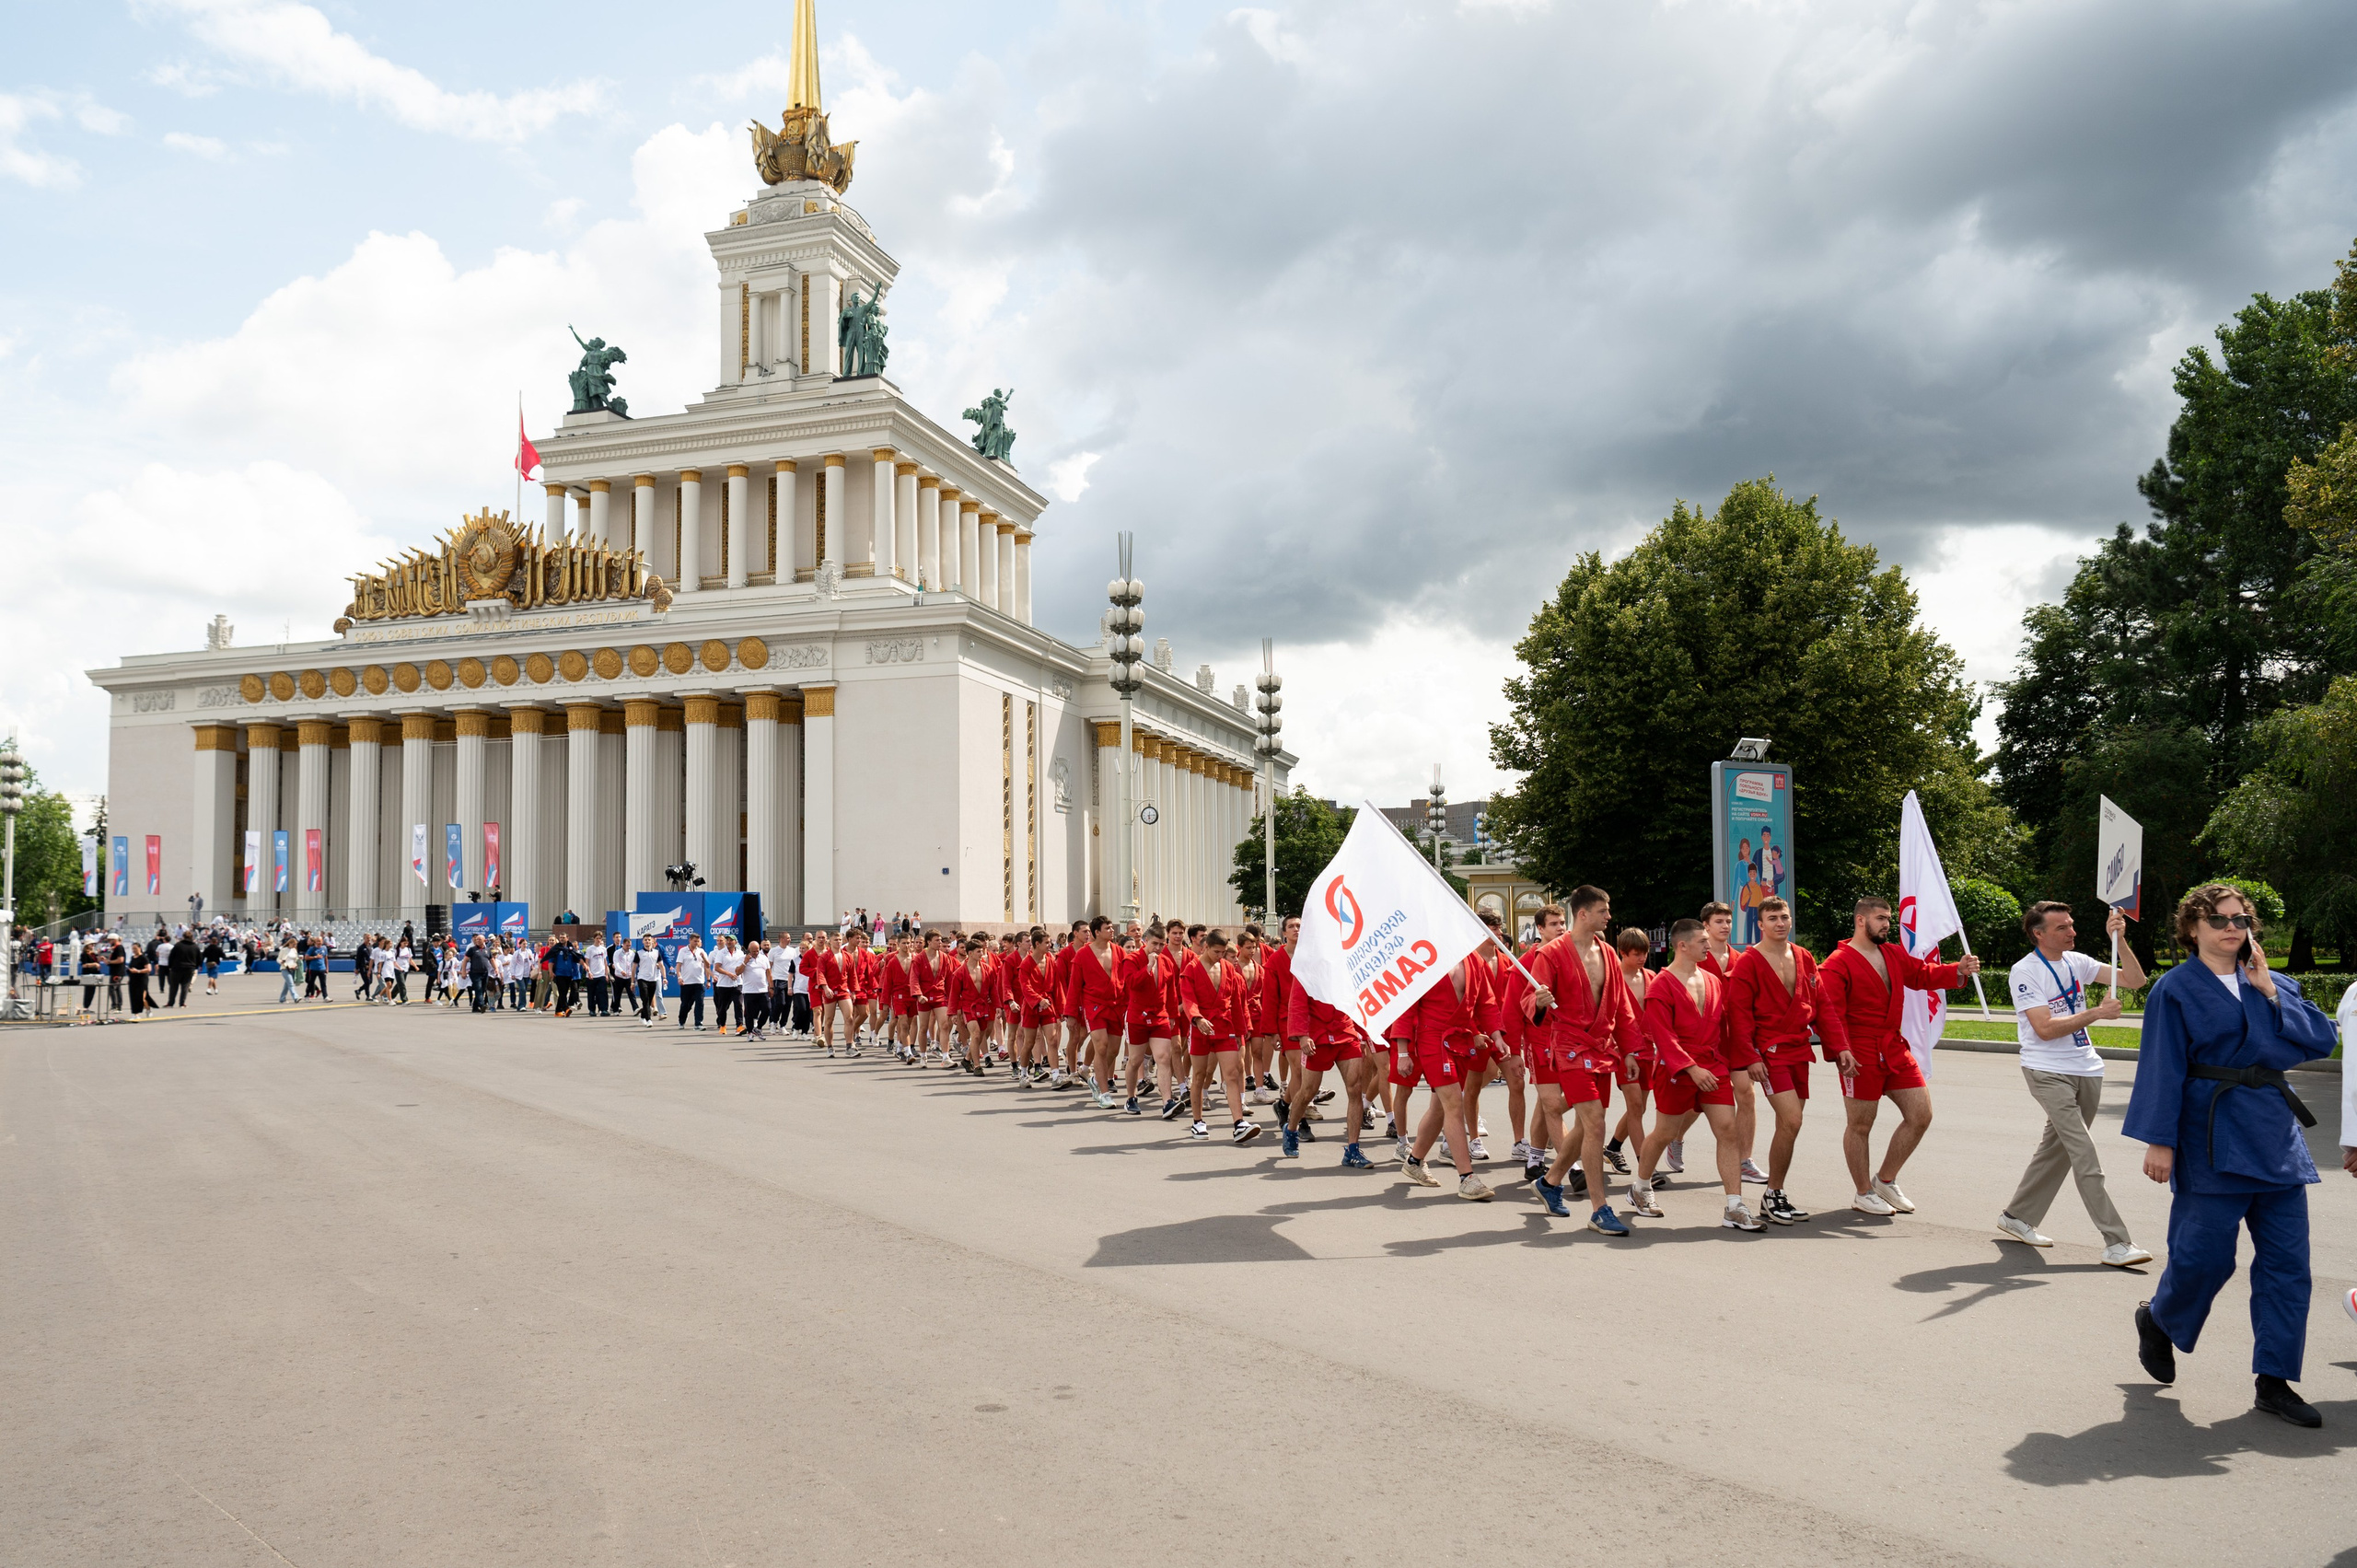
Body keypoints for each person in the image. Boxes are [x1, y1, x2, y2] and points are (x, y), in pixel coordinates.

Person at [2127, 884, 2335, 1428]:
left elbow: (2321, 1040)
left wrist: (2271, 993)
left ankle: (2275, 1380)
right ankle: (2161, 1320)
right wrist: (2160, 1139)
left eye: (2240, 920)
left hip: (2274, 1137)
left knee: (2289, 1266)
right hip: (2208, 1134)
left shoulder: (2272, 982)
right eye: (2218, 920)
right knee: (2204, 1258)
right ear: (2192, 928)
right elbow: (2162, 1066)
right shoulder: (2173, 990)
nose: (2231, 928)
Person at [1997, 900, 2153, 1265]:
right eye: (2062, 928)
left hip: (2086, 1069)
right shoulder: (2025, 971)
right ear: (2039, 934)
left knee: (2059, 1149)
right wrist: (2097, 1012)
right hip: (2046, 1070)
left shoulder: (2077, 962)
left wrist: (2120, 940)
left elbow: (2135, 980)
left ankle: (2016, 1217)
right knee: (2084, 1152)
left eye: (2071, 924)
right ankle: (2117, 1242)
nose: (2072, 932)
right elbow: (2045, 1029)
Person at [1817, 895, 1979, 1216]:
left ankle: (1885, 1180)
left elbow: (1922, 975)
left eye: (1889, 918)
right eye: (1880, 918)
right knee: (1860, 1124)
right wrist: (1840, 1050)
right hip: (1858, 1051)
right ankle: (1863, 1192)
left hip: (1893, 1047)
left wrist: (1956, 970)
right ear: (1861, 920)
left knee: (1921, 1115)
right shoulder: (1837, 962)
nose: (1887, 924)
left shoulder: (1892, 953)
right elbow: (1829, 1013)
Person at [1631, 918, 1762, 1228]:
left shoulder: (1714, 981)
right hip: (1678, 1069)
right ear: (1682, 946)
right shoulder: (1661, 984)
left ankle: (1735, 1205)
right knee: (1665, 1132)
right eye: (1703, 941)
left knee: (1727, 1130)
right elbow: (1662, 1035)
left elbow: (1726, 1028)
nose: (1708, 945)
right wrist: (1690, 1067)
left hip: (1713, 1065)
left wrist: (1740, 1060)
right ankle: (1640, 1187)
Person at [1527, 887, 1642, 1231]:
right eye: (1603, 911)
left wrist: (1630, 1050)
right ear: (1583, 914)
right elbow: (1528, 1000)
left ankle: (1549, 1182)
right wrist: (1539, 1002)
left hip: (1603, 1048)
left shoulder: (1607, 952)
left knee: (1584, 1125)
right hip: (1570, 1047)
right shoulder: (1550, 954)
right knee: (1595, 1123)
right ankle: (1599, 1209)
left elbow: (1621, 1006)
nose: (1609, 916)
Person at [1726, 895, 1818, 1226]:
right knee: (1793, 1120)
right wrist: (1750, 1056)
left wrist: (1842, 1048)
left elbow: (1823, 1006)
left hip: (1799, 1051)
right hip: (1770, 1054)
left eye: (1784, 917)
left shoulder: (1804, 957)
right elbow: (1738, 1016)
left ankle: (1774, 1194)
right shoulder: (1749, 962)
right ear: (1760, 924)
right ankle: (1772, 1193)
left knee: (1787, 1126)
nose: (1780, 923)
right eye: (1773, 918)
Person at [676, 933, 709, 1030]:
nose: (696, 943)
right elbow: (678, 966)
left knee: (700, 1003)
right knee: (685, 1004)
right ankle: (681, 1021)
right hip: (686, 982)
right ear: (690, 940)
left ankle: (698, 1023)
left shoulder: (701, 951)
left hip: (699, 982)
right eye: (695, 941)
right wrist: (679, 977)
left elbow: (707, 966)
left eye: (698, 941)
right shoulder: (683, 951)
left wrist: (708, 980)